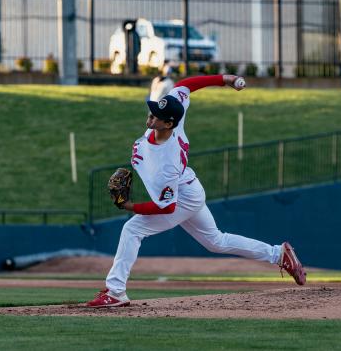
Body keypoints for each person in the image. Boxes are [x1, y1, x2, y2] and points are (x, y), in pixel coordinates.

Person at [87, 74, 306, 308]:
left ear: (168, 123)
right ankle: (279, 254)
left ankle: (116, 291)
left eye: (156, 116)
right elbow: (185, 85)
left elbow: (167, 207)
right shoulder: (173, 115)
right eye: (152, 111)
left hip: (182, 199)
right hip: (190, 187)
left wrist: (129, 206)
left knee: (132, 229)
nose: (151, 115)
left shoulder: (167, 162)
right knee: (216, 241)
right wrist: (225, 79)